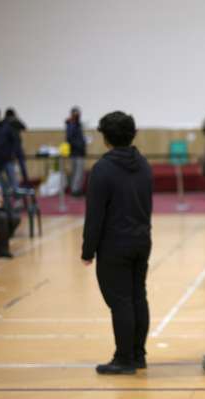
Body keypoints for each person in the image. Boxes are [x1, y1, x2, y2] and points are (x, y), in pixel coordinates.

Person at [82, 111, 152, 375]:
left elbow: (95, 215)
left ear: (106, 137)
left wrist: (88, 250)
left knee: (121, 301)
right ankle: (137, 355)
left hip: (115, 245)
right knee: (137, 297)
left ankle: (124, 359)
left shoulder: (103, 169)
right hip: (141, 240)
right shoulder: (144, 164)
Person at [66, 106, 87, 196]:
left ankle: (75, 189)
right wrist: (80, 145)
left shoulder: (76, 124)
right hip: (76, 152)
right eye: (77, 114)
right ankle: (75, 190)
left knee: (76, 172)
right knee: (78, 172)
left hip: (78, 152)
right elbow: (69, 138)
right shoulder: (72, 124)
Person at [4, 108, 29, 184]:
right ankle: (15, 184)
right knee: (12, 167)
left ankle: (25, 182)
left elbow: (24, 127)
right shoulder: (6, 122)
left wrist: (16, 120)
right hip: (11, 147)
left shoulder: (13, 122)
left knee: (21, 166)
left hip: (15, 146)